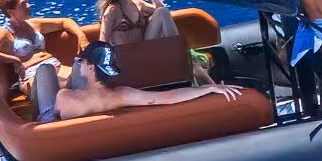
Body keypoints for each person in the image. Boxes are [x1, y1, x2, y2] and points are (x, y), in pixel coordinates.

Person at [52, 40, 246, 122]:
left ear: (92, 67)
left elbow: (50, 122)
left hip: (64, 118)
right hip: (100, 99)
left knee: (45, 69)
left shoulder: (64, 97)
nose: (80, 63)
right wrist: (208, 88)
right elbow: (168, 97)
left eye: (83, 61)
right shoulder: (120, 95)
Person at [0, 0, 88, 122]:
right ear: (11, 12)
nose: (29, 6)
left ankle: (84, 112)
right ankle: (49, 118)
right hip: (31, 74)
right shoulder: (5, 33)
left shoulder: (34, 24)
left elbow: (65, 22)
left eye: (28, 2)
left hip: (56, 65)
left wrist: (81, 36)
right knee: (46, 70)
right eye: (23, 4)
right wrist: (13, 59)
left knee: (82, 65)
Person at [96, 0, 214, 84]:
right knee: (195, 66)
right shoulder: (113, 11)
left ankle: (178, 56)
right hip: (128, 58)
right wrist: (109, 69)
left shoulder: (136, 3)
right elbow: (103, 42)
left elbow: (165, 14)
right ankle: (180, 61)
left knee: (161, 12)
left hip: (145, 49)